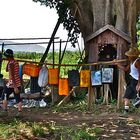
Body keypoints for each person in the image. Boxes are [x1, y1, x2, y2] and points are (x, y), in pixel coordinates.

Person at [115, 47, 140, 114]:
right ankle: (126, 110)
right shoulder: (131, 61)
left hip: (136, 81)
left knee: (137, 97)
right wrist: (118, 65)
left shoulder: (137, 62)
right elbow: (126, 69)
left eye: (129, 56)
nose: (128, 57)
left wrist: (139, 84)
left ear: (133, 56)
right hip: (131, 80)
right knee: (127, 96)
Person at [0, 49, 22, 117]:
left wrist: (15, 87)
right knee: (18, 98)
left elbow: (12, 76)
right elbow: (7, 70)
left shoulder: (11, 64)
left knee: (4, 96)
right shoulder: (15, 62)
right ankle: (19, 112)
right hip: (17, 83)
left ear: (7, 56)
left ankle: (4, 111)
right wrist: (8, 62)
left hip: (12, 84)